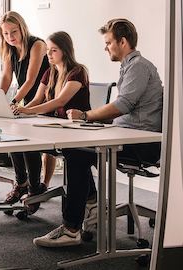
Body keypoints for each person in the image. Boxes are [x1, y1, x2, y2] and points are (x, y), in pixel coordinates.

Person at [34, 18, 163, 247]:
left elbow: (122, 105)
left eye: (108, 42)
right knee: (77, 150)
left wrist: (86, 116)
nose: (106, 47)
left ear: (122, 42)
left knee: (77, 153)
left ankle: (73, 227)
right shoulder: (129, 66)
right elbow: (124, 111)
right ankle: (91, 207)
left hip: (142, 142)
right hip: (126, 133)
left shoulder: (139, 66)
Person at [0, 11, 54, 206]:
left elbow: (31, 79)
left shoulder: (37, 45)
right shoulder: (10, 49)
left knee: (27, 138)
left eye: (13, 32)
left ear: (22, 28)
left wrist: (13, 101)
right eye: (5, 34)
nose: (10, 37)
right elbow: (6, 78)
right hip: (27, 101)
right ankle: (21, 182)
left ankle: (34, 187)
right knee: (10, 132)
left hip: (46, 99)